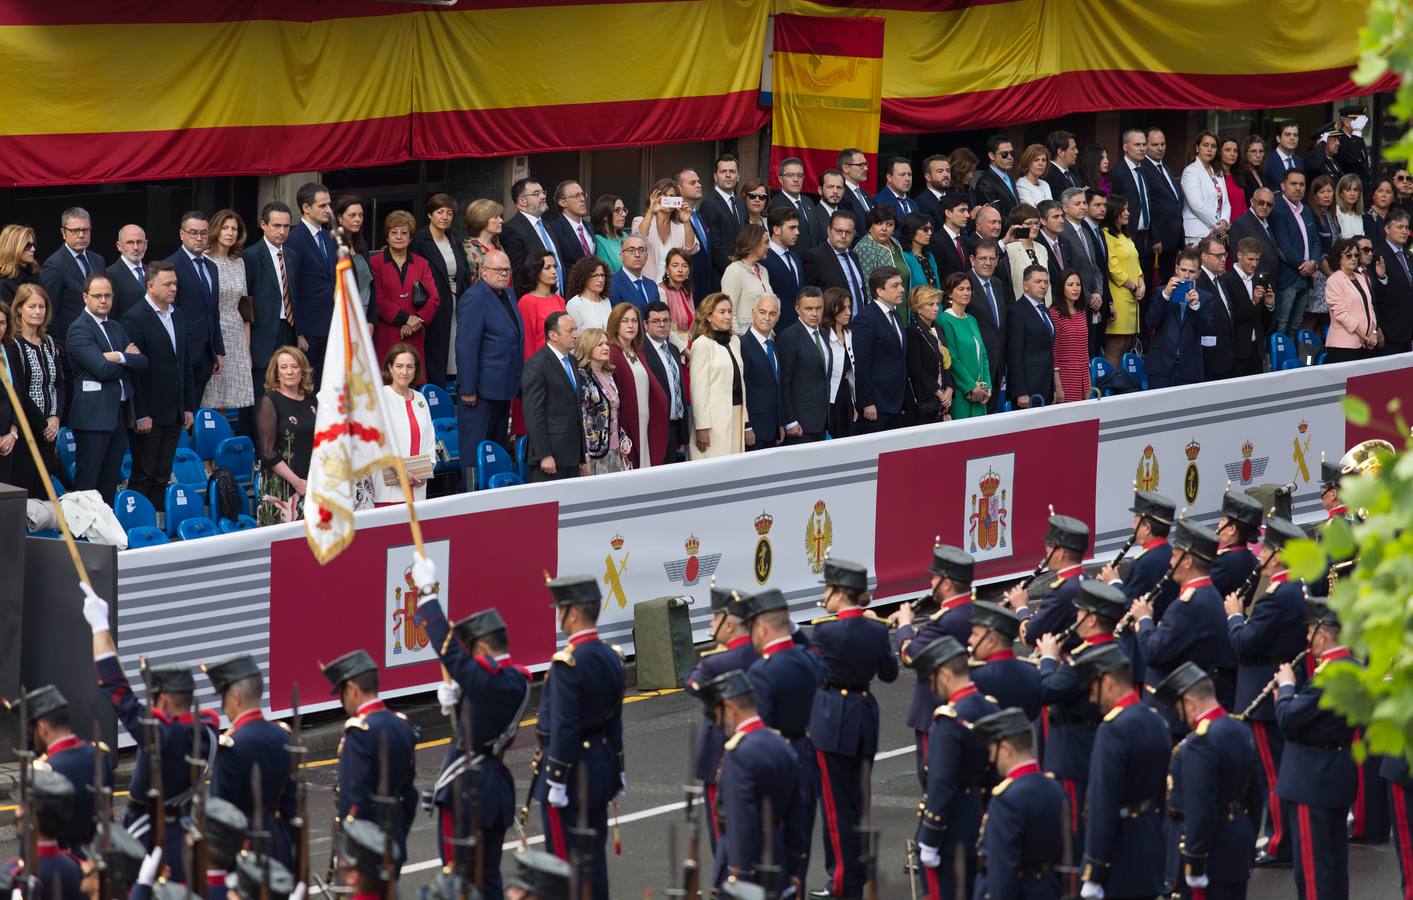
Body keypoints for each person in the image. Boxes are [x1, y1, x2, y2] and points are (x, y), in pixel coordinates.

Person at [411, 555, 531, 900]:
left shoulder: (488, 679)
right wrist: (462, 700)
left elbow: (447, 649)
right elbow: (484, 701)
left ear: (480, 647)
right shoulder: (516, 679)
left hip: (467, 790)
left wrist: (427, 594)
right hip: (494, 788)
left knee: (459, 878)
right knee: (488, 876)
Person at [85, 584, 215, 882]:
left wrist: (99, 628)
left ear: (165, 700)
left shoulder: (162, 736)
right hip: (184, 827)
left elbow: (117, 691)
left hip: (150, 833)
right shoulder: (207, 733)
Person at [808, 559, 899, 899]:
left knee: (835, 808)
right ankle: (856, 875)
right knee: (859, 803)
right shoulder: (876, 630)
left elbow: (815, 674)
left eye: (827, 589)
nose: (824, 596)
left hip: (832, 719)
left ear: (838, 592)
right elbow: (889, 673)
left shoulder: (825, 631)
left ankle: (842, 881)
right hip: (864, 717)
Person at [1221, 516, 1308, 868]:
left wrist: (1234, 616)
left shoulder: (1276, 596)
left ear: (1277, 557)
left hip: (1263, 693)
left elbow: (1245, 643)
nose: (1261, 558)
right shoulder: (1293, 588)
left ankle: (1279, 843)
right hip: (1276, 688)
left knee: (1273, 774)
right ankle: (1281, 838)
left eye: (1267, 551)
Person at [533, 576, 625, 900]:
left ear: (572, 613)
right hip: (600, 770)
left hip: (571, 777)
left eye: (560, 610)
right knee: (593, 859)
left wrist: (556, 779)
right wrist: (619, 768)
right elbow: (615, 720)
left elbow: (565, 727)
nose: (558, 616)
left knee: (564, 864)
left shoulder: (567, 663)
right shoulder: (613, 657)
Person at [1273, 598, 1359, 900]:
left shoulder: (1328, 675)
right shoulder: (1354, 667)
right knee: (1334, 863)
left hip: (1312, 778)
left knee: (1312, 871)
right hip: (1336, 771)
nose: (1308, 639)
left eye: (1310, 632)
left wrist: (1285, 688)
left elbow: (1288, 718)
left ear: (1323, 632)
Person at [1071, 642, 1170, 900]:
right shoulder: (1156, 720)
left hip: (1120, 850)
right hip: (1150, 839)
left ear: (1108, 682)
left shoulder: (1113, 730)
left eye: (1094, 688)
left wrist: (1094, 869)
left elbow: (1102, 803)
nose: (1092, 698)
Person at [696, 669, 809, 893]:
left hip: (750, 865)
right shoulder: (781, 744)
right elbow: (798, 812)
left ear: (729, 707)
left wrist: (739, 874)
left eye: (717, 715)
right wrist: (796, 866)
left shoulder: (738, 754)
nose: (719, 723)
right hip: (781, 856)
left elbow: (742, 820)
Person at [739, 587, 821, 888]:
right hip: (807, 756)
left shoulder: (763, 671)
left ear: (761, 627)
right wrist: (795, 631)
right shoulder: (808, 661)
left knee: (772, 850)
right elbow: (811, 651)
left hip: (776, 763)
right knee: (800, 847)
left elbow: (760, 732)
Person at [1156, 662, 1258, 899]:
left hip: (1210, 851)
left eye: (1181, 709)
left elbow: (1200, 806)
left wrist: (1194, 859)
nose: (1182, 717)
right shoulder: (1240, 730)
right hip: (1237, 842)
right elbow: (1256, 793)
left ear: (1190, 702)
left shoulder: (1199, 743)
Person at [909, 631, 999, 900]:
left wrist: (930, 836)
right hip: (979, 819)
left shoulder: (948, 720)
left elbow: (942, 783)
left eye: (933, 679)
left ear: (945, 674)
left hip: (951, 831)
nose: (933, 687)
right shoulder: (989, 708)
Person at [318, 649, 418, 874]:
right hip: (394, 838)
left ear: (352, 689)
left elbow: (353, 798)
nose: (343, 702)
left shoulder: (359, 732)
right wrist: (398, 832)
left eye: (342, 693)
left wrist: (345, 848)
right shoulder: (401, 725)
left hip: (363, 846)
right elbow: (409, 794)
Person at [889, 544, 977, 787]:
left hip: (935, 711)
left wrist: (905, 626)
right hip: (966, 705)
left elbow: (911, 656)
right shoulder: (972, 611)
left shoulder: (945, 619)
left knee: (933, 782)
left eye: (935, 578)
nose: (931, 583)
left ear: (946, 584)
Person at [1126, 519, 1230, 719]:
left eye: (1174, 557)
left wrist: (1144, 620)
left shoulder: (1187, 605)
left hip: (1169, 710)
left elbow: (1153, 653)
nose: (1171, 563)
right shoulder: (1209, 594)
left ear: (1188, 561)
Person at [202, 653, 296, 866]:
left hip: (242, 848)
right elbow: (291, 804)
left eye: (224, 697)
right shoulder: (282, 736)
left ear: (235, 698)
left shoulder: (231, 745)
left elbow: (221, 812)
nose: (224, 706)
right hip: (277, 843)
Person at [970, 708, 1069, 900]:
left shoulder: (1006, 800)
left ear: (1006, 749)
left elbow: (1002, 875)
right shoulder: (1055, 789)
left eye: (992, 751)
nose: (991, 759)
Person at [120, 260, 195, 512]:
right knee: (144, 473)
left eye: (175, 283)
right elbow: (135, 372)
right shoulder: (135, 317)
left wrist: (187, 406)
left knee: (163, 473)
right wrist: (140, 412)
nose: (174, 288)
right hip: (149, 412)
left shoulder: (179, 314)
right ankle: (137, 523)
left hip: (174, 409)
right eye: (167, 284)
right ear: (150, 286)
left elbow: (184, 364)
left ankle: (157, 526)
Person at [67, 274, 145, 504]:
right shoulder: (79, 329)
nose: (103, 300)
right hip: (93, 418)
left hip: (118, 415)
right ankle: (85, 540)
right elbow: (101, 369)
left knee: (109, 485)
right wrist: (127, 359)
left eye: (107, 295)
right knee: (88, 488)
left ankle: (106, 537)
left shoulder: (116, 327)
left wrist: (118, 357)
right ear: (85, 297)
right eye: (97, 296)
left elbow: (143, 362)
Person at [4, 285, 67, 497]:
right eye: (32, 306)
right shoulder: (13, 344)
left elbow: (59, 383)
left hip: (50, 430)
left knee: (42, 489)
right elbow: (20, 390)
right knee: (23, 488)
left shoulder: (48, 342)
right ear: (19, 309)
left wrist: (56, 418)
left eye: (42, 306)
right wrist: (43, 424)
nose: (38, 311)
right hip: (27, 430)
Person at [370, 210, 440, 377]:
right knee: (386, 380)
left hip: (414, 333)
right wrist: (405, 319)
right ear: (387, 237)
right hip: (385, 334)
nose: (399, 237)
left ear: (410, 237)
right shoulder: (375, 262)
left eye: (404, 233)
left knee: (412, 381)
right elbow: (377, 299)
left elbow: (434, 298)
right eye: (394, 232)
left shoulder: (422, 263)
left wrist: (417, 320)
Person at [165, 211, 224, 404]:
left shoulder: (212, 267)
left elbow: (213, 312)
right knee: (179, 408)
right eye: (193, 232)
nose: (199, 238)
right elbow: (169, 313)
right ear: (182, 234)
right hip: (183, 352)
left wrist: (218, 350)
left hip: (206, 353)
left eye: (204, 233)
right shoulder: (171, 266)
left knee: (195, 406)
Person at [410, 193, 469, 387]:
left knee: (456, 352)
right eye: (439, 212)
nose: (445, 217)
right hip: (433, 305)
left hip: (457, 303)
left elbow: (465, 273)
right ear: (429, 215)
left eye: (449, 213)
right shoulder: (420, 241)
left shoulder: (454, 240)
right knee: (436, 353)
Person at [200, 209, 254, 416]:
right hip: (213, 330)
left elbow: (245, 307)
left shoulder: (239, 262)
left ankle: (222, 442)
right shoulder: (204, 260)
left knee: (227, 397)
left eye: (234, 228)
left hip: (236, 331)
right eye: (225, 228)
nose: (230, 233)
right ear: (216, 230)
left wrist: (247, 350)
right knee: (208, 396)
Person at [254, 346, 316, 525]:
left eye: (294, 366)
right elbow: (268, 452)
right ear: (276, 372)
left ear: (302, 370)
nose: (289, 372)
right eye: (284, 367)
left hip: (310, 485)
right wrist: (297, 482)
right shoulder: (269, 401)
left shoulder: (311, 399)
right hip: (281, 488)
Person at [520, 311, 585, 482]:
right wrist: (544, 455)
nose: (575, 335)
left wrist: (582, 454)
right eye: (569, 331)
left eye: (575, 330)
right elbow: (534, 414)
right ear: (553, 335)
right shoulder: (536, 365)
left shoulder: (572, 360)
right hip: (551, 457)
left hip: (571, 454)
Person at [245, 201, 301, 399]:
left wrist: (299, 333)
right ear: (263, 225)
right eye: (277, 225)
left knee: (286, 386)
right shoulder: (250, 255)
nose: (283, 231)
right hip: (262, 331)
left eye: (287, 226)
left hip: (289, 328)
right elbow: (246, 300)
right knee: (261, 390)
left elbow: (295, 296)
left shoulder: (292, 255)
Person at [286, 182, 336, 380]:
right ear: (306, 208)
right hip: (309, 330)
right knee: (308, 385)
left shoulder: (329, 237)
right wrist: (299, 332)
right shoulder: (293, 239)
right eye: (322, 206)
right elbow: (292, 289)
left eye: (329, 204)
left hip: (332, 326)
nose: (328, 210)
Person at [606, 302, 666, 469]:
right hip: (626, 424)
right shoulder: (612, 352)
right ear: (615, 323)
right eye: (625, 321)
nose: (631, 325)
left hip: (645, 421)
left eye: (634, 321)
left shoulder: (637, 351)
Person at [373, 344, 435, 504]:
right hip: (389, 489)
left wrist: (428, 469)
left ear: (416, 370)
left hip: (419, 485)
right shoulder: (380, 397)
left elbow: (430, 438)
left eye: (409, 367)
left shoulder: (420, 398)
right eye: (399, 366)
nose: (404, 372)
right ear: (390, 368)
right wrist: (400, 472)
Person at [41, 206, 106, 357]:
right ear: (64, 233)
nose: (81, 235)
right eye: (75, 231)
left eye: (86, 230)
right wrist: (58, 347)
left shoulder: (98, 260)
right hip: (72, 347)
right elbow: (50, 311)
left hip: (100, 343)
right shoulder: (54, 265)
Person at [688, 293, 746, 459]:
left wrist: (746, 420)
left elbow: (740, 382)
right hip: (713, 421)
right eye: (722, 312)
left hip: (736, 414)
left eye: (729, 311)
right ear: (708, 316)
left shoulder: (735, 341)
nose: (728, 316)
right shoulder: (702, 345)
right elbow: (698, 390)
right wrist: (702, 427)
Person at [1145, 249, 1214, 388]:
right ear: (1176, 269)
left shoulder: (1206, 298)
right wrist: (1166, 296)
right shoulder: (1161, 292)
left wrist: (1196, 307)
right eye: (1183, 270)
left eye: (1192, 271)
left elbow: (1207, 329)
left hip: (1190, 368)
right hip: (1160, 366)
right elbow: (1150, 322)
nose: (1187, 275)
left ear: (1198, 273)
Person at [14, 768, 85, 900]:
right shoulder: (77, 868)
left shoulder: (12, 875)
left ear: (34, 819)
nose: (17, 812)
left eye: (22, 806)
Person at [852, 266, 908, 432]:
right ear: (879, 291)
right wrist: (867, 402)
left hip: (896, 401)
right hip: (877, 404)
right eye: (895, 285)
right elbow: (862, 364)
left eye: (901, 284)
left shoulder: (896, 315)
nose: (902, 289)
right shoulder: (865, 319)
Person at [773, 287, 831, 445]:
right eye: (809, 309)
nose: (814, 313)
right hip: (800, 425)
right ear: (797, 309)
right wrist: (790, 421)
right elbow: (784, 382)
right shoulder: (788, 337)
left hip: (822, 420)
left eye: (819, 308)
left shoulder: (823, 333)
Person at [1271, 168, 1322, 338]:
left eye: (1301, 184)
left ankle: (1292, 364)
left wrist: (1314, 263)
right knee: (1281, 326)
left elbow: (1316, 241)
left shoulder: (1306, 210)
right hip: (1288, 277)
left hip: (1305, 277)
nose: (1298, 188)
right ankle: (1275, 364)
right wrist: (1304, 265)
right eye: (1293, 184)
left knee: (1295, 327)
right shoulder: (1278, 210)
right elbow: (1283, 245)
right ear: (1283, 186)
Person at [932, 272, 989, 420]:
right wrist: (971, 387)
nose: (966, 292)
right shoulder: (945, 319)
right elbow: (953, 359)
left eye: (968, 289)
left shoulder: (972, 320)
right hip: (963, 393)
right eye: (961, 289)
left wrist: (986, 387)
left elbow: (983, 355)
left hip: (980, 393)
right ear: (950, 293)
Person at [576, 327, 631, 474]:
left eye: (606, 344)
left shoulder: (609, 374)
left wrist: (623, 438)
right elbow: (583, 420)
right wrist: (584, 456)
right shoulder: (582, 377)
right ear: (588, 347)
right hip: (594, 454)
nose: (606, 347)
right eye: (599, 344)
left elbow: (613, 414)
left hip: (614, 450)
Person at [736, 293, 785, 452]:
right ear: (753, 313)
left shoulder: (773, 345)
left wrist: (780, 424)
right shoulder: (743, 345)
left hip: (772, 429)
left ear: (778, 317)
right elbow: (741, 388)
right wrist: (746, 426)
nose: (767, 318)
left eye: (772, 314)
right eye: (762, 312)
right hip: (753, 430)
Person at [1223, 236, 1277, 377]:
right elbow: (1229, 319)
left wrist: (1269, 304)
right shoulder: (1226, 281)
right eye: (1250, 259)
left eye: (1257, 259)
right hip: (1235, 353)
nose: (1254, 264)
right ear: (1239, 255)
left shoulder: (1259, 279)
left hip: (1257, 351)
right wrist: (1253, 302)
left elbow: (1266, 324)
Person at [1006, 265, 1059, 407]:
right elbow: (1014, 355)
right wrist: (1020, 391)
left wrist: (1052, 387)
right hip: (1028, 389)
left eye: (1046, 282)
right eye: (1038, 282)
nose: (1043, 286)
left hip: (1045, 386)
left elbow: (1048, 350)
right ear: (1025, 286)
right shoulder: (1016, 312)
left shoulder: (1044, 310)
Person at [641, 301, 687, 462]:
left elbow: (679, 390)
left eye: (666, 320)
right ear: (645, 324)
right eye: (656, 321)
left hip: (673, 427)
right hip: (653, 428)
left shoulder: (673, 349)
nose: (662, 325)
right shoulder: (640, 351)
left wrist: (682, 433)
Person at [1324, 237, 1380, 363]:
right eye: (1349, 255)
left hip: (1366, 343)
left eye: (1356, 255)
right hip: (1343, 346)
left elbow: (1371, 309)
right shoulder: (1334, 280)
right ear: (1339, 258)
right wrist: (1362, 335)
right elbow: (1340, 314)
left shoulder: (1361, 278)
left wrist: (1374, 332)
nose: (1354, 258)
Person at [1103, 195, 1143, 364]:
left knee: (1126, 344)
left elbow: (1136, 263)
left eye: (1127, 209)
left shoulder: (1125, 236)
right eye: (1123, 209)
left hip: (1133, 296)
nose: (1127, 213)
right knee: (1115, 348)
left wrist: (1142, 284)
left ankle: (1121, 384)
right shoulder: (1107, 234)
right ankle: (1111, 386)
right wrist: (1134, 287)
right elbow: (1113, 268)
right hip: (1120, 295)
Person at [501, 179, 562, 291]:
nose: (543, 196)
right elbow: (517, 274)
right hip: (534, 299)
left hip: (558, 299)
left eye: (543, 192)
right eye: (536, 193)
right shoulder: (512, 229)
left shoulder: (548, 226)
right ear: (522, 201)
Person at [904, 284, 952, 424]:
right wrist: (939, 393)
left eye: (937, 304)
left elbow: (947, 362)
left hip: (943, 399)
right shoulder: (913, 332)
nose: (936, 308)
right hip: (926, 401)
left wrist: (949, 389)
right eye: (930, 304)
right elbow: (916, 370)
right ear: (918, 307)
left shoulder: (938, 327)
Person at [1144, 128, 1186, 283]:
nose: (1160, 148)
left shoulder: (1165, 167)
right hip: (1157, 240)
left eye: (1163, 144)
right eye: (1155, 144)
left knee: (1170, 281)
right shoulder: (1143, 169)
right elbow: (1147, 205)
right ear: (1145, 145)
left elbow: (1175, 201)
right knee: (1155, 285)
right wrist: (1154, 237)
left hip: (1173, 237)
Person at [803, 211, 867, 313]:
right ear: (829, 230)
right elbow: (809, 297)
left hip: (860, 322)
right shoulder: (814, 257)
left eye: (848, 232)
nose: (843, 236)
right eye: (839, 231)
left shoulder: (853, 255)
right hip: (831, 323)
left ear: (854, 234)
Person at [1195, 236, 1236, 382]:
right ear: (1204, 257)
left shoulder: (1219, 280)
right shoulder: (1197, 282)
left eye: (1224, 255)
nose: (1224, 259)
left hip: (1225, 358)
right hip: (1208, 362)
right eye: (1219, 256)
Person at [656, 173, 707, 287]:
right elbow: (640, 237)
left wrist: (686, 221)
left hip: (676, 286)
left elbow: (691, 249)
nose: (669, 199)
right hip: (652, 286)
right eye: (665, 196)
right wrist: (651, 211)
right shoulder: (641, 221)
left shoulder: (679, 226)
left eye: (672, 196)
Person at [722, 224, 774, 335]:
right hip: (744, 339)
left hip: (765, 338)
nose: (769, 247)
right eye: (766, 242)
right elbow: (729, 310)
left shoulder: (763, 271)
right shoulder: (734, 270)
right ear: (753, 243)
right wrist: (739, 340)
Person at [516, 250, 567, 362]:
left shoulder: (560, 300)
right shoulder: (527, 302)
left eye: (554, 266)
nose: (554, 271)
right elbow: (528, 344)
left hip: (562, 363)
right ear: (535, 271)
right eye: (548, 268)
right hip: (541, 366)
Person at [1182, 130, 1231, 247]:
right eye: (1205, 145)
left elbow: (1226, 203)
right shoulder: (1191, 171)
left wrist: (1224, 221)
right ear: (1197, 148)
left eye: (1213, 146)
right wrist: (1217, 225)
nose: (1210, 149)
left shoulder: (1218, 172)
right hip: (1197, 233)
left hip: (1218, 233)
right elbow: (1196, 205)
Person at [1049, 269, 1090, 401]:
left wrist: (1088, 378)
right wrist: (1058, 386)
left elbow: (1084, 349)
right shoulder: (1055, 314)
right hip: (1066, 377)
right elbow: (1054, 353)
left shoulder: (1081, 311)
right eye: (1070, 284)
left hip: (1084, 377)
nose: (1075, 289)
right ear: (1062, 288)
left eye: (1078, 285)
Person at [702, 154, 748, 273]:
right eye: (723, 171)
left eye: (732, 171)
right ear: (715, 176)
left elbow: (747, 235)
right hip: (722, 273)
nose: (728, 175)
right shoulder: (709, 204)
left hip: (745, 269)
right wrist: (734, 268)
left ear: (738, 176)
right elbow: (714, 244)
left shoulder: (741, 203)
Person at [761, 206, 805, 328]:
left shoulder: (795, 257)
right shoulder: (763, 259)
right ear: (776, 230)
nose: (797, 232)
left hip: (798, 329)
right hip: (775, 329)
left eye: (797, 227)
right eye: (792, 228)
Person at [1376, 209, 1413, 353]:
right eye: (1399, 227)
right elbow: (1376, 294)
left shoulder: (1408, 255)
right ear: (1387, 228)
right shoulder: (1379, 255)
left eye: (1406, 227)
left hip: (1407, 330)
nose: (1404, 231)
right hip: (1389, 332)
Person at [1306, 174, 1340, 332]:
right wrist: (1331, 274)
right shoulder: (1311, 214)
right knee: (1313, 319)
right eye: (1322, 192)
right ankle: (1306, 356)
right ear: (1314, 195)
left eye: (1330, 191)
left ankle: (1321, 356)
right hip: (1319, 274)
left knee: (1325, 321)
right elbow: (1317, 246)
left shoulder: (1332, 216)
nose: (1327, 195)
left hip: (1333, 273)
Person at [1228, 187, 1282, 284]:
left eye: (1269, 204)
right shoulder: (1240, 224)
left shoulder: (1267, 223)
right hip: (1252, 284)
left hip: (1269, 282)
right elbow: (1237, 259)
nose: (1265, 207)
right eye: (1261, 202)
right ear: (1252, 202)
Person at [821, 288, 855, 439]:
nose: (848, 312)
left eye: (849, 307)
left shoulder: (849, 334)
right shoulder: (822, 335)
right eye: (844, 308)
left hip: (845, 396)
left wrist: (853, 403)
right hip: (827, 399)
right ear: (832, 308)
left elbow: (851, 373)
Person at [334, 195, 373, 320]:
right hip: (346, 316)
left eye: (360, 215)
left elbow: (371, 285)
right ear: (340, 217)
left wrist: (371, 321)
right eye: (352, 215)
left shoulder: (362, 245)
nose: (358, 219)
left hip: (365, 315)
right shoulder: (333, 245)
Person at [546, 180, 596, 274]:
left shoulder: (589, 226)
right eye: (576, 196)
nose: (582, 199)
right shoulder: (553, 229)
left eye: (582, 194)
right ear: (562, 202)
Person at [772, 156, 821, 250]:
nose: (796, 179)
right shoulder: (775, 205)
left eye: (799, 175)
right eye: (790, 175)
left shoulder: (809, 202)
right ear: (780, 179)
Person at [1004, 203, 1050, 303]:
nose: (1035, 227)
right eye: (1029, 223)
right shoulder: (1009, 249)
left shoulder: (1042, 248)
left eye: (1037, 223)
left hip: (1045, 305)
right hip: (1021, 306)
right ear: (1017, 225)